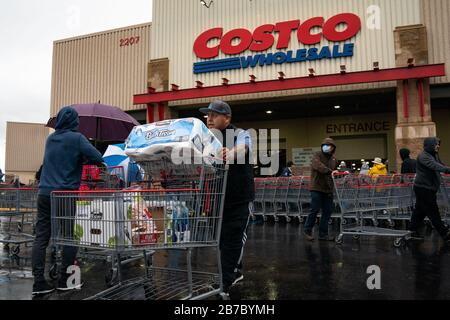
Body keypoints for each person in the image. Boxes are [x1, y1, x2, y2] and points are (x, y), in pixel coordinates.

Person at [31, 106, 103, 296]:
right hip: (64, 194)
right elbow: (98, 157)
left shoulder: (50, 139)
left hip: (44, 194)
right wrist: (83, 159)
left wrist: (76, 158)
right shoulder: (77, 138)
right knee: (68, 236)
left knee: (41, 237)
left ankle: (39, 282)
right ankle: (65, 279)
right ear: (74, 122)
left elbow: (55, 161)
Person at [199, 100, 254, 298]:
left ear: (227, 118)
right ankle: (234, 269)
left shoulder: (240, 134)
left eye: (214, 114)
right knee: (221, 240)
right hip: (217, 199)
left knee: (233, 238)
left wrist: (231, 153)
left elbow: (244, 147)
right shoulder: (206, 140)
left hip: (239, 198)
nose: (209, 118)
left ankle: (225, 282)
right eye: (208, 115)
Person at [409, 137, 450, 241]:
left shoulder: (433, 155)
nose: (438, 146)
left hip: (427, 188)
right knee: (433, 211)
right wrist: (447, 170)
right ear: (430, 145)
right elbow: (436, 166)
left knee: (420, 210)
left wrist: (446, 168)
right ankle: (444, 233)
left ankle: (412, 230)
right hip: (424, 188)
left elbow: (441, 165)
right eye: (436, 144)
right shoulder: (423, 156)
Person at [303, 138, 339, 241]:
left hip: (328, 189)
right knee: (314, 209)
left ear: (333, 148)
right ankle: (307, 230)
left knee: (327, 211)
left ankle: (323, 234)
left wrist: (340, 173)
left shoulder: (334, 159)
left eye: (329, 145)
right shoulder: (317, 155)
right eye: (325, 145)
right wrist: (330, 171)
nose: (327, 147)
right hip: (316, 187)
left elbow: (334, 172)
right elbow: (317, 166)